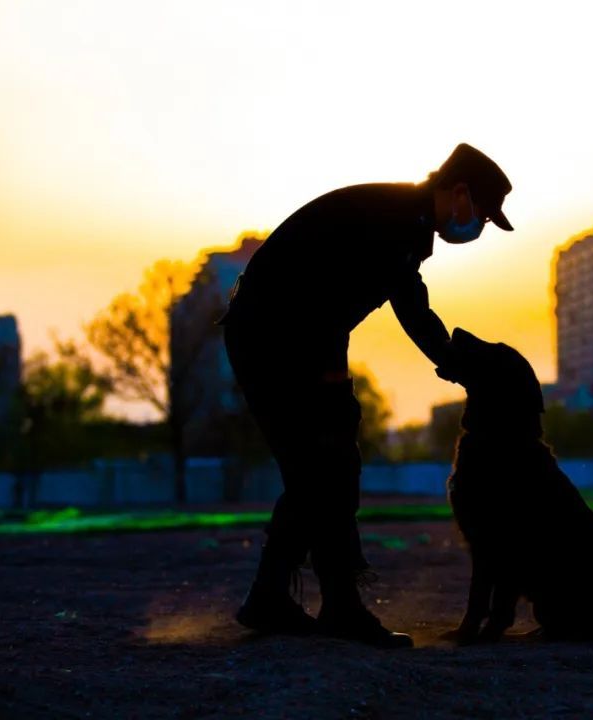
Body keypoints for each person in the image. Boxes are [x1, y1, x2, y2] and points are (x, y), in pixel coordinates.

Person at [217, 143, 513, 648]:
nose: (479, 226)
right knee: (322, 466)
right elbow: (321, 297)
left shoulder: (404, 222)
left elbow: (408, 304)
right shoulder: (394, 221)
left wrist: (452, 361)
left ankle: (273, 598)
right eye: (482, 214)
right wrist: (331, 375)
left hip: (285, 336)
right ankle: (337, 608)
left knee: (319, 469)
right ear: (460, 194)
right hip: (272, 337)